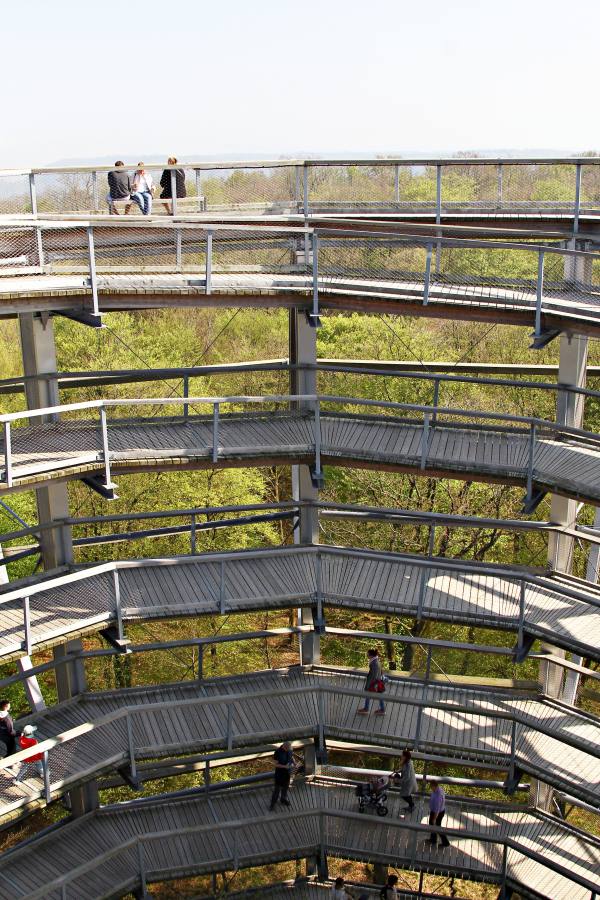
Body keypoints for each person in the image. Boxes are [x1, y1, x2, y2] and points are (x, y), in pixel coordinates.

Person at [357, 648, 385, 715]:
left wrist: (371, 684)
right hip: (377, 682)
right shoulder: (377, 661)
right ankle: (381, 709)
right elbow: (381, 672)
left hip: (374, 683)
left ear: (371, 655)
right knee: (377, 696)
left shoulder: (374, 663)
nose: (367, 655)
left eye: (368, 654)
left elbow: (374, 675)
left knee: (370, 695)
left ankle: (367, 709)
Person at [269, 740, 294, 810]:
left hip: (287, 774)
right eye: (288, 749)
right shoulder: (277, 752)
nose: (290, 750)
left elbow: (291, 757)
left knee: (285, 788)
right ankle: (272, 804)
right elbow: (275, 764)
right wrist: (284, 766)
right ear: (284, 747)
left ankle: (283, 799)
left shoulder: (290, 750)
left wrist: (293, 763)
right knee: (277, 790)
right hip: (279, 774)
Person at [427, 779, 450, 847]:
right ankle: (433, 839)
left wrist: (434, 818)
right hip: (437, 811)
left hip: (437, 813)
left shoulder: (438, 795)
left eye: (431, 786)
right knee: (433, 825)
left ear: (434, 786)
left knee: (436, 826)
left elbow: (437, 809)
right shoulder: (438, 790)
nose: (431, 788)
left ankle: (445, 842)